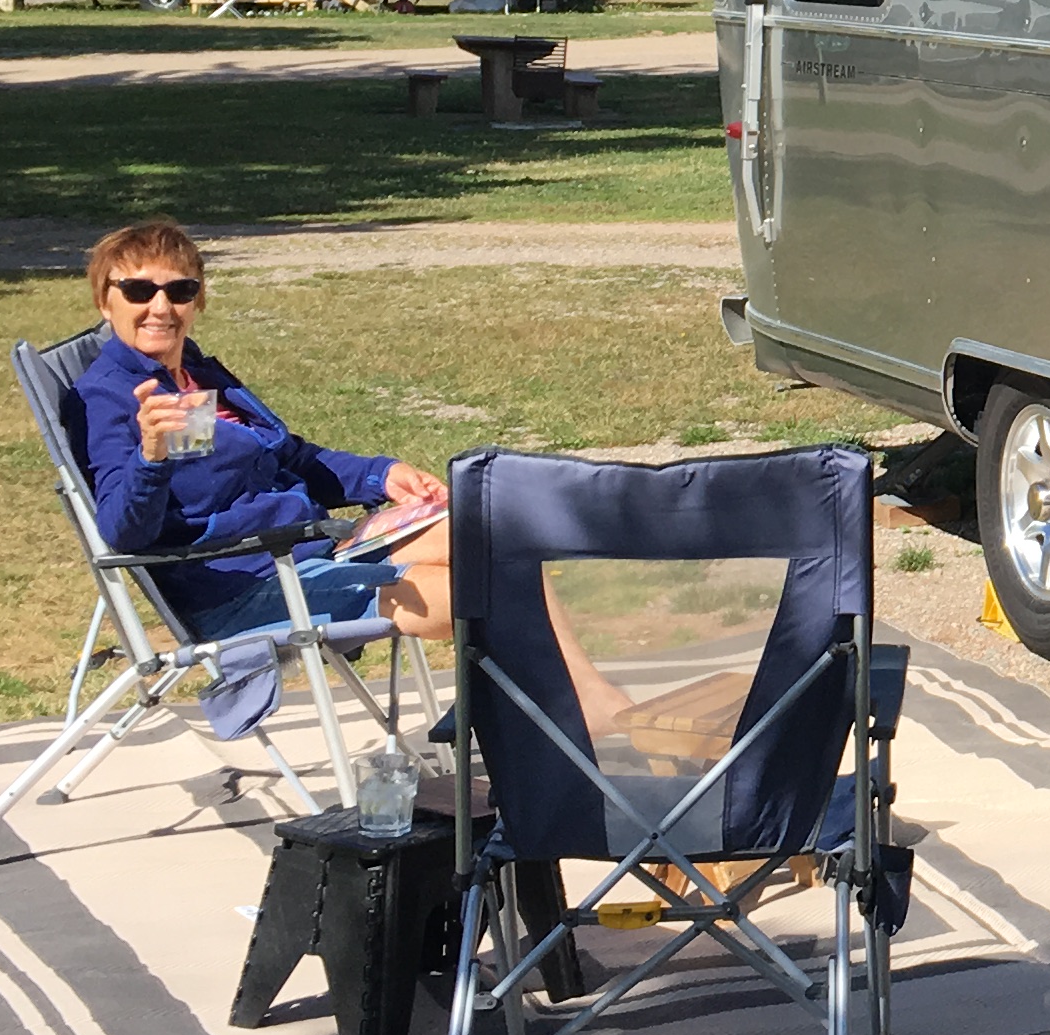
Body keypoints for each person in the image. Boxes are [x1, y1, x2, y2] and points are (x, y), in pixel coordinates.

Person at [72, 218, 632, 731]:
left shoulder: (194, 374)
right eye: (139, 291)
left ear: (197, 299)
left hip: (309, 549)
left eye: (180, 290)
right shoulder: (111, 396)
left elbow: (288, 457)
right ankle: (562, 712)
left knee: (493, 534)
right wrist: (151, 458)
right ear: (105, 300)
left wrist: (380, 476)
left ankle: (558, 703)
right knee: (478, 591)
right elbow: (124, 532)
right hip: (250, 584)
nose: (161, 307)